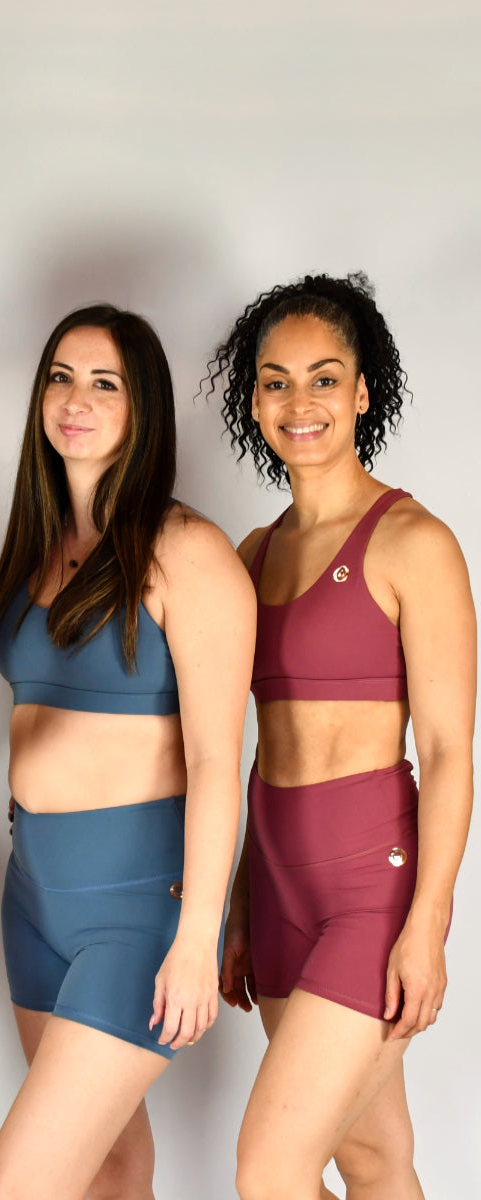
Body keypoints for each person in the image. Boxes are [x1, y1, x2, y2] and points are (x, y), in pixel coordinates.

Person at [0, 304, 255, 1199]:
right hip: (32, 899)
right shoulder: (37, 547)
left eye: (106, 384)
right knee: (110, 1170)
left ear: (144, 409)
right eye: (61, 377)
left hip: (138, 912)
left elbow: (216, 761)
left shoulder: (188, 551)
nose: (76, 400)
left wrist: (198, 938)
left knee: (18, 1183)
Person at [209, 273, 475, 1200]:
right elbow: (262, 743)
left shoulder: (414, 543)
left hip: (372, 891)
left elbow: (449, 752)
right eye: (276, 382)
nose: (300, 402)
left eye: (324, 379)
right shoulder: (252, 554)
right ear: (254, 402)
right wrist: (241, 901)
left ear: (362, 393)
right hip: (278, 882)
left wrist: (429, 925)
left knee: (270, 1171)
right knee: (372, 1160)